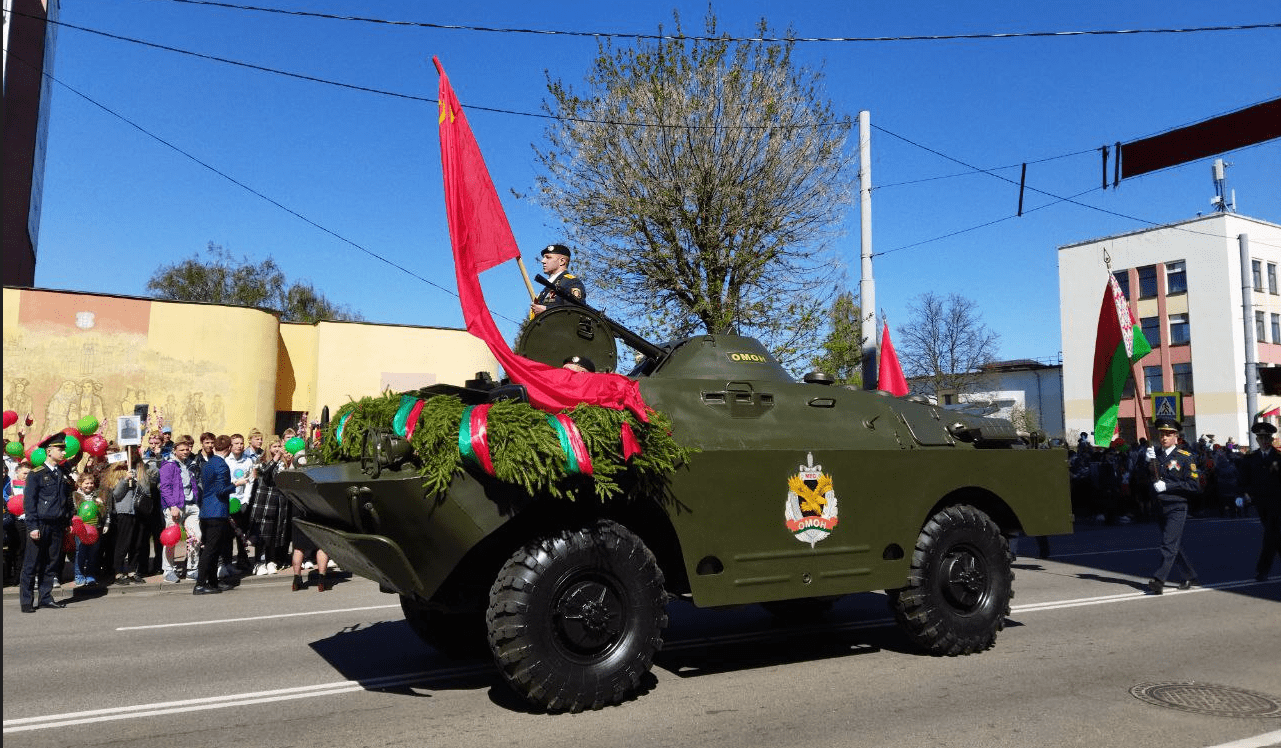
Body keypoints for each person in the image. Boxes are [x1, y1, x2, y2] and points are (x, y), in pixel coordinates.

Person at [19, 433, 75, 612]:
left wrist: (67, 520)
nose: (63, 453)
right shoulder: (36, 474)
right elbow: (29, 502)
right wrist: (33, 526)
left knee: (51, 563)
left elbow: (66, 500)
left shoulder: (62, 473)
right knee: (31, 563)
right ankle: (26, 601)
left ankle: (45, 597)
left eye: (64, 449)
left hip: (57, 525)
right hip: (40, 524)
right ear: (49, 451)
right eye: (60, 449)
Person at [1145, 418, 1201, 594]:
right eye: (1161, 434)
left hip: (1177, 506)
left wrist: (1168, 486)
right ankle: (1190, 576)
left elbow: (1194, 485)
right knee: (1173, 545)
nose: (1164, 437)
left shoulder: (1185, 457)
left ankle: (1158, 579)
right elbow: (1146, 479)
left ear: (1176, 437)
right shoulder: (1156, 456)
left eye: (1168, 434)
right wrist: (1146, 463)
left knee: (1168, 544)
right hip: (1160, 506)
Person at [195, 435, 235, 595]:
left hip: (206, 511)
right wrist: (235, 485)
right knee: (211, 550)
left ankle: (212, 582)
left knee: (213, 548)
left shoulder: (208, 463)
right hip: (217, 512)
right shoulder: (222, 465)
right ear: (229, 448)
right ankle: (200, 584)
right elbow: (221, 490)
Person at [158, 436, 201, 582]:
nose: (185, 452)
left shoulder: (190, 464)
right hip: (175, 506)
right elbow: (164, 488)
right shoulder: (168, 465)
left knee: (196, 536)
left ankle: (192, 569)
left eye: (187, 449)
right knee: (171, 539)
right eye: (181, 449)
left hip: (191, 506)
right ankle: (168, 570)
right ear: (175, 450)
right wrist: (172, 506)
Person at [1242, 422, 1281, 582]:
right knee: (1276, 536)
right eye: (1261, 437)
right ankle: (1263, 570)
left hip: (1278, 503)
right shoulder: (1251, 459)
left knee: (1270, 535)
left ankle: (1262, 570)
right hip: (1260, 503)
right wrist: (1243, 494)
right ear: (1257, 439)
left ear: (1271, 439)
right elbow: (1244, 479)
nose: (1264, 440)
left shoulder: (1278, 458)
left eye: (1267, 437)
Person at [108, 454, 154, 586]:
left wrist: (139, 480)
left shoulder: (140, 469)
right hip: (125, 512)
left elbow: (147, 490)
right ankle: (118, 572)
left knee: (137, 544)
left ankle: (133, 571)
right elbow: (116, 494)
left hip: (139, 511)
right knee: (123, 543)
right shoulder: (119, 470)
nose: (132, 456)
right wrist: (125, 480)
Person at [248, 438, 288, 575]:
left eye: (279, 446)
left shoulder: (282, 463)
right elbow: (265, 473)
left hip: (277, 502)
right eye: (274, 446)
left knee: (273, 533)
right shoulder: (261, 460)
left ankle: (271, 560)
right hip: (264, 502)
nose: (277, 449)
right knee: (262, 534)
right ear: (269, 448)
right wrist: (276, 458)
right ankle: (259, 562)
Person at [224, 434, 256, 575]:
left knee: (242, 532)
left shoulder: (247, 461)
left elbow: (250, 482)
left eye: (241, 443)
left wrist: (246, 501)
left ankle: (243, 560)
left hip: (242, 501)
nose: (239, 446)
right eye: (236, 443)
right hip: (229, 501)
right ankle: (228, 562)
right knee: (228, 534)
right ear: (231, 445)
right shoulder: (226, 460)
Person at [71, 473, 108, 588]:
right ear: (80, 484)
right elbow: (73, 512)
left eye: (91, 483)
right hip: (81, 529)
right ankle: (79, 575)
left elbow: (104, 513)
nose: (89, 485)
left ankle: (91, 575)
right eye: (86, 483)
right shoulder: (75, 495)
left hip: (94, 529)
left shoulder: (98, 495)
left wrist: (101, 506)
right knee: (80, 553)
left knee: (93, 553)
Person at [529, 243, 586, 316]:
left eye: (548, 257)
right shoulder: (546, 289)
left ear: (562, 261)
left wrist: (546, 310)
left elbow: (576, 312)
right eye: (544, 257)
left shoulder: (571, 282)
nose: (543, 261)